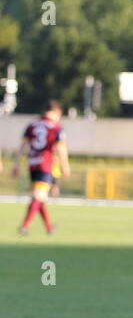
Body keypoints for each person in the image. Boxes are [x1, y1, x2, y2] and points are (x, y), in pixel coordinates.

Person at [12, 99, 68, 235]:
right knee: (39, 196)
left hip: (32, 163)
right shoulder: (56, 126)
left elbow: (23, 146)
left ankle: (49, 227)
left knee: (41, 196)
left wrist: (16, 163)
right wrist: (65, 165)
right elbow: (61, 148)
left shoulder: (32, 124)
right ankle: (24, 226)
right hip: (46, 164)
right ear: (57, 112)